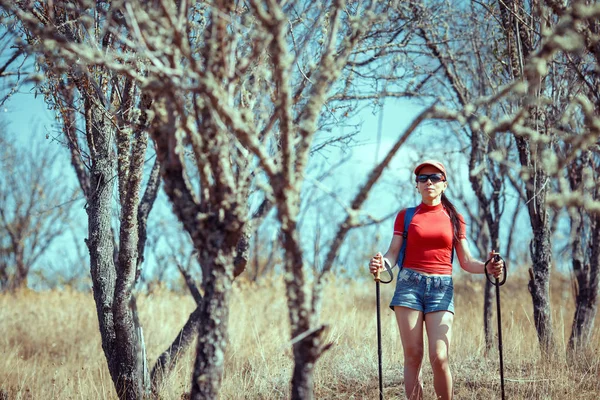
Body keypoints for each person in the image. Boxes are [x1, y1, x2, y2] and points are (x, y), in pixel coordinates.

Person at [369, 160, 504, 400]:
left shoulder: (454, 218)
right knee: (413, 355)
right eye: (423, 178)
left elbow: (465, 261)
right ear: (417, 185)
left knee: (439, 356)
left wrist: (487, 267)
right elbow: (392, 254)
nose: (428, 182)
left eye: (434, 177)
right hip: (409, 285)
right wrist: (381, 265)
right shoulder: (406, 216)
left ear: (445, 184)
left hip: (441, 288)